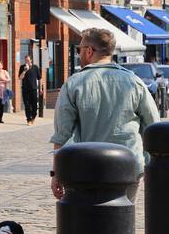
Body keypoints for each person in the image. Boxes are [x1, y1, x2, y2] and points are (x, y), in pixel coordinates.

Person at [49, 27, 157, 203]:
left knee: (87, 225)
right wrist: (149, 163)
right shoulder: (134, 82)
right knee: (122, 223)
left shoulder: (73, 84)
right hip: (128, 166)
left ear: (89, 51)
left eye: (79, 50)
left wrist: (56, 173)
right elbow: (152, 125)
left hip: (86, 168)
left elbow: (62, 135)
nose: (79, 54)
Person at [19, 55, 42, 124]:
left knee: (34, 105)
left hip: (33, 89)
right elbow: (20, 78)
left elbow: (39, 78)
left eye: (28, 60)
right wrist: (25, 71)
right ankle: (28, 119)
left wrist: (40, 88)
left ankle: (33, 117)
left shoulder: (35, 67)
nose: (27, 61)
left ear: (31, 60)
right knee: (27, 105)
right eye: (25, 60)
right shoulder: (22, 67)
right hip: (25, 89)